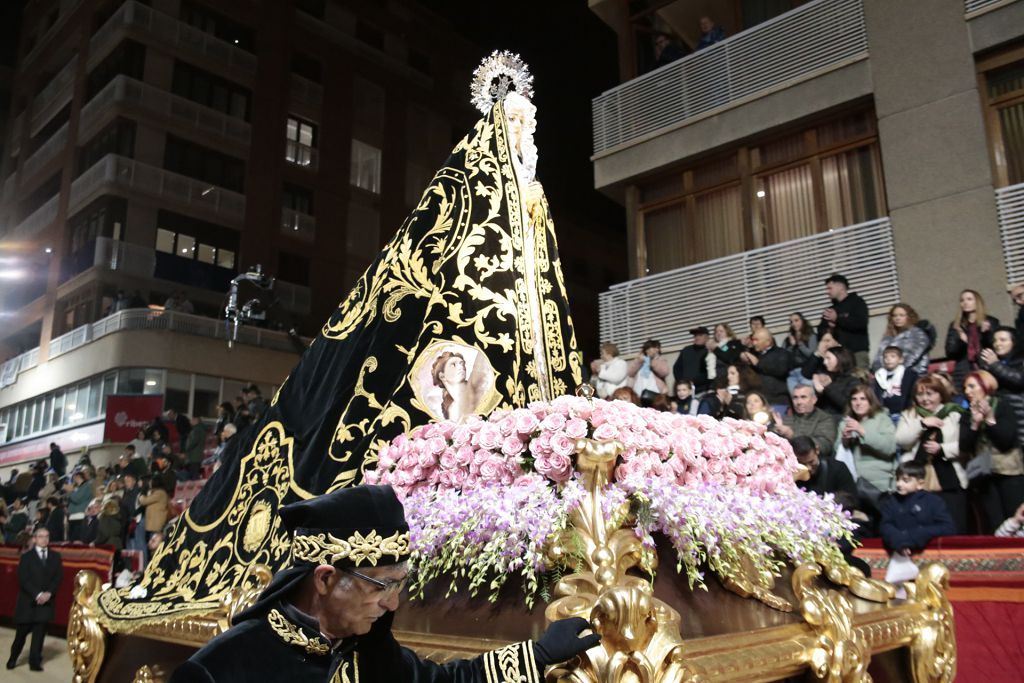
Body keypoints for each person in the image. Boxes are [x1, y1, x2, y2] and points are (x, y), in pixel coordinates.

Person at [169, 485, 599, 682]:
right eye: (380, 586)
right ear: (324, 579)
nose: (392, 604)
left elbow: (440, 682)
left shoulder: (367, 648)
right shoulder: (218, 670)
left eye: (400, 585)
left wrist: (537, 654)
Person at [895, 375, 968, 533]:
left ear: (940, 394)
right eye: (920, 394)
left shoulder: (954, 414)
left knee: (955, 524)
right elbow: (901, 440)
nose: (925, 399)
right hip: (918, 477)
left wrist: (942, 448)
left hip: (949, 477)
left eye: (930, 393)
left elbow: (965, 445)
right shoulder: (910, 414)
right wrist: (921, 424)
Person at [959, 370, 1024, 533]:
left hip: (1009, 472)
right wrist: (974, 425)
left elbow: (1006, 440)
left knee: (1015, 517)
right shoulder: (967, 414)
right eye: (965, 388)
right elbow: (964, 446)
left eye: (972, 386)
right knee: (993, 521)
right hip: (984, 475)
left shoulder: (1002, 405)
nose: (967, 391)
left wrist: (989, 419)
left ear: (985, 385)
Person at [6, 528, 63, 672]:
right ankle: (13, 657)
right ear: (34, 539)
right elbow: (23, 579)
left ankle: (35, 661)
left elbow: (58, 577)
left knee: (39, 635)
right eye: (41, 536)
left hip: (46, 603)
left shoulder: (56, 556)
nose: (44, 539)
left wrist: (49, 593)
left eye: (46, 536)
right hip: (28, 602)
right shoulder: (26, 557)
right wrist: (38, 595)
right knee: (21, 635)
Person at [836, 385, 897, 509]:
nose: (858, 403)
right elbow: (837, 454)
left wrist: (862, 431)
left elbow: (890, 447)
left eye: (863, 399)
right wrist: (845, 441)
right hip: (852, 482)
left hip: (878, 482)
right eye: (854, 399)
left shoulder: (882, 419)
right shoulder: (844, 423)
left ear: (871, 401)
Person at [879, 462, 956, 555]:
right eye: (897, 479)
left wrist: (917, 535)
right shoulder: (891, 501)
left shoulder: (933, 501)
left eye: (905, 480)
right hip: (897, 551)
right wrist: (900, 541)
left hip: (928, 554)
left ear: (920, 484)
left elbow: (947, 528)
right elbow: (885, 526)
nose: (899, 484)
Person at [945, 288, 1000, 392]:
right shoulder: (956, 325)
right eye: (962, 300)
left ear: (977, 302)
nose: (965, 303)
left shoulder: (991, 321)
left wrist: (987, 333)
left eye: (969, 299)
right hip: (963, 370)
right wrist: (962, 341)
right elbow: (950, 352)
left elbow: (996, 347)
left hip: (986, 367)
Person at [980, 326, 1024, 453]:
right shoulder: (991, 364)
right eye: (995, 340)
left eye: (1003, 340)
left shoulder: (1020, 361)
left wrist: (995, 364)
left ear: (1014, 342)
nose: (997, 344)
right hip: (1002, 418)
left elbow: (1019, 380)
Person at [817, 274, 869, 368]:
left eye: (830, 288)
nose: (827, 292)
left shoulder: (857, 302)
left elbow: (861, 323)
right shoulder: (831, 310)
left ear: (840, 287)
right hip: (838, 356)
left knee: (859, 381)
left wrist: (838, 319)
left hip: (856, 354)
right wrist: (829, 329)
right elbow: (821, 331)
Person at [775, 385, 838, 459]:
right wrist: (775, 431)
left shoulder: (825, 418)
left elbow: (825, 447)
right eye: (795, 398)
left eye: (803, 397)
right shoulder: (787, 418)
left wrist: (792, 435)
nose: (798, 402)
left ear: (814, 399)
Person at [872, 303, 932, 375]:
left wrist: (892, 373)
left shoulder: (917, 334)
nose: (897, 318)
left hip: (912, 376)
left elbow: (911, 357)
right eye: (895, 315)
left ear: (909, 317)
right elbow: (878, 358)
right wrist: (880, 373)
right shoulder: (888, 338)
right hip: (887, 379)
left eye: (901, 315)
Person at [791, 436, 857, 499]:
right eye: (803, 464)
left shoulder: (838, 468)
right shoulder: (791, 473)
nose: (808, 468)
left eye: (811, 462)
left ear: (817, 450)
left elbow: (851, 498)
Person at [740, 328, 791, 410]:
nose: (754, 343)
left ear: (768, 342)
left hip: (777, 401)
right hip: (756, 403)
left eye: (757, 340)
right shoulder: (753, 354)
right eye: (753, 340)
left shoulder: (781, 353)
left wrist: (758, 364)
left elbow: (781, 370)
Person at [804, 345, 859, 415]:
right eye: (824, 359)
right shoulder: (829, 375)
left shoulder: (853, 381)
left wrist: (826, 387)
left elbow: (847, 405)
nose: (825, 362)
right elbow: (806, 373)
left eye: (828, 358)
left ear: (840, 359)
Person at [430, 351, 481, 420]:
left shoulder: (477, 384)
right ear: (442, 376)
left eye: (462, 364)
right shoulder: (452, 410)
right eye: (453, 365)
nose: (461, 367)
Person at [873, 346, 919, 418]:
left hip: (902, 412)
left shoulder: (908, 374)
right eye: (885, 357)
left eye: (893, 356)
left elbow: (911, 394)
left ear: (901, 360)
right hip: (885, 413)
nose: (888, 359)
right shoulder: (879, 375)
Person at [784, 312, 817, 393]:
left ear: (802, 321)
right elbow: (784, 357)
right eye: (791, 322)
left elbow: (811, 355)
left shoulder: (811, 336)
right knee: (795, 398)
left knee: (808, 397)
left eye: (796, 320)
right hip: (792, 373)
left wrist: (799, 343)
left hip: (806, 372)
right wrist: (791, 346)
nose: (794, 324)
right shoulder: (788, 339)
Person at [673, 327, 711, 394]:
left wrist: (695, 382)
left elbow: (709, 372)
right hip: (686, 392)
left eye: (700, 335)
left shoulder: (710, 351)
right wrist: (683, 383)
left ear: (707, 337)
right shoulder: (686, 350)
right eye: (695, 335)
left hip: (703, 390)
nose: (697, 337)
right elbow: (677, 368)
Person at [184, 416, 211, 480]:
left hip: (194, 455)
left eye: (191, 420)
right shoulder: (200, 429)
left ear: (196, 421)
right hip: (197, 454)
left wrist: (186, 448)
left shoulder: (196, 430)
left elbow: (194, 441)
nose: (190, 422)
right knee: (195, 472)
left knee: (194, 474)